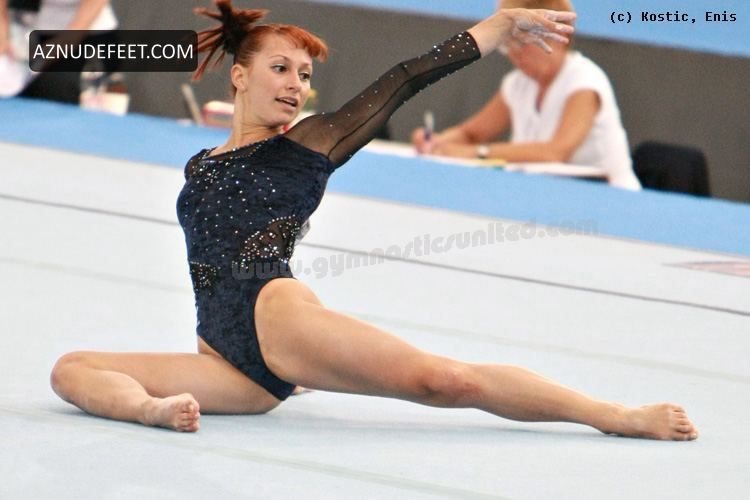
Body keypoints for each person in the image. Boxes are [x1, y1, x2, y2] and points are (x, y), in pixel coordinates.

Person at [49, 0, 697, 440]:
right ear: (239, 76)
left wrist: (497, 26)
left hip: (276, 314)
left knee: (443, 381)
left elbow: (405, 79)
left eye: (304, 75)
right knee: (70, 369)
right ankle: (153, 411)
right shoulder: (199, 164)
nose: (295, 84)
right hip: (225, 360)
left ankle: (613, 415)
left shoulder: (309, 145)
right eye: (280, 69)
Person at [411, 0, 641, 190]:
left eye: (521, 45)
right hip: (550, 195)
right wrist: (437, 142)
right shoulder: (517, 84)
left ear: (557, 37)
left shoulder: (585, 80)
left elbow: (556, 152)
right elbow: (470, 133)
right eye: (507, 45)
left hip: (610, 200)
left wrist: (476, 154)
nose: (514, 55)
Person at [0, 0, 117, 101]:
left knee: (57, 86)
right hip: (33, 34)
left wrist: (38, 59)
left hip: (88, 38)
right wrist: (3, 36)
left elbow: (73, 35)